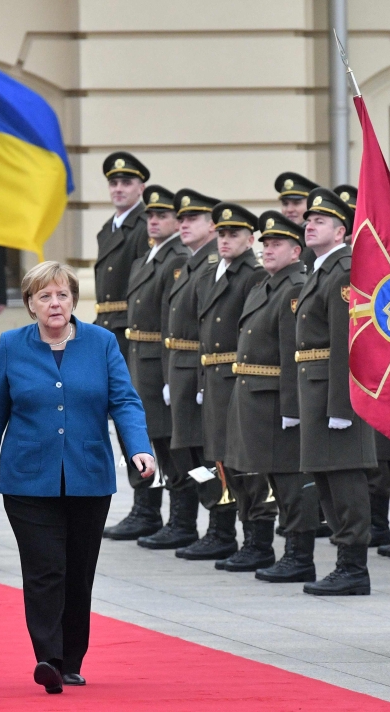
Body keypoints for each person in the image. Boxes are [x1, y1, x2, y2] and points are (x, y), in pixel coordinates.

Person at [0, 261, 155, 694]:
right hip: (27, 481)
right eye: (44, 296)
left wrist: (140, 448)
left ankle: (72, 659)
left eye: (63, 295)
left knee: (78, 571)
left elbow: (125, 402)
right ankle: (48, 657)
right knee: (44, 569)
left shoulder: (102, 343)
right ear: (31, 304)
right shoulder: (12, 346)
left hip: (88, 476)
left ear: (74, 300)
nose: (55, 303)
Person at [296, 188, 377, 596]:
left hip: (335, 392)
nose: (310, 225)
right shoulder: (320, 268)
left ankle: (354, 566)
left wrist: (343, 405)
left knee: (344, 480)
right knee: (325, 478)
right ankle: (344, 561)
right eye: (309, 220)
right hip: (315, 388)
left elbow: (347, 341)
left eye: (321, 221)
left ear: (341, 231)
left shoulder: (343, 270)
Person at [224, 211, 311, 579]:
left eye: (276, 244)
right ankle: (259, 545)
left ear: (296, 251)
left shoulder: (293, 288)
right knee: (261, 476)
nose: (268, 249)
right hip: (252, 396)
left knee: (290, 482)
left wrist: (292, 408)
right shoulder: (265, 286)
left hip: (276, 399)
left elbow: (294, 354)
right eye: (266, 243)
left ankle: (299, 556)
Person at [164, 188, 240, 561]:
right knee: (188, 454)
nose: (184, 225)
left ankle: (221, 524)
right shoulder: (192, 263)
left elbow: (206, 330)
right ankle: (208, 518)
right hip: (181, 370)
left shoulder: (212, 265)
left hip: (200, 371)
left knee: (208, 456)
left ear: (212, 227)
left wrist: (195, 381)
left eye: (192, 219)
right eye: (181, 219)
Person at [124, 186, 196, 550]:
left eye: (163, 216)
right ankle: (147, 510)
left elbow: (174, 321)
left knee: (171, 443)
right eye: (150, 216)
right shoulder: (146, 259)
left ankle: (182, 519)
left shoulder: (177, 260)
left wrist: (170, 375)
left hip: (160, 360)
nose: (154, 221)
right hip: (140, 358)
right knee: (149, 439)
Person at [95, 151, 160, 540]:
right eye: (114, 183)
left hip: (132, 331)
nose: (119, 189)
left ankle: (148, 505)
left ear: (141, 188)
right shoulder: (109, 226)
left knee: (137, 420)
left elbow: (143, 287)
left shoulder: (143, 226)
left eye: (127, 183)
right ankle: (142, 504)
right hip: (110, 327)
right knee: (122, 422)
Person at [198, 202, 267, 569]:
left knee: (246, 463)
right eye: (221, 233)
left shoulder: (252, 275)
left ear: (249, 239)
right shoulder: (215, 271)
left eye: (234, 234)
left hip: (237, 375)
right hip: (214, 377)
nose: (225, 240)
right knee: (222, 461)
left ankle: (259, 539)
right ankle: (238, 533)